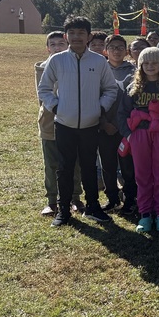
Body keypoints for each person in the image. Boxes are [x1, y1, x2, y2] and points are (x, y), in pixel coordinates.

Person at [37, 16, 120, 226]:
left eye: (81, 33)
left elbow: (111, 89)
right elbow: (44, 88)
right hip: (64, 124)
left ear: (89, 36)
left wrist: (99, 108)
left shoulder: (99, 61)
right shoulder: (57, 60)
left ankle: (93, 206)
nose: (76, 37)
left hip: (91, 125)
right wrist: (56, 107)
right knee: (64, 168)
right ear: (66, 36)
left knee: (89, 166)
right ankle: (63, 210)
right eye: (72, 33)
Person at [117, 46, 159, 233]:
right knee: (142, 175)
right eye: (145, 63)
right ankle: (145, 214)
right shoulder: (134, 87)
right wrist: (129, 135)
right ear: (140, 65)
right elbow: (122, 113)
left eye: (154, 62)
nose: (150, 66)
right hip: (139, 134)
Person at [35, 31, 82, 216]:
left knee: (74, 163)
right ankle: (52, 201)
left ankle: (76, 198)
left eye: (61, 43)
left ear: (68, 44)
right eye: (52, 44)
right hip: (49, 123)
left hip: (73, 123)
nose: (57, 47)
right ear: (47, 48)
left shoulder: (75, 64)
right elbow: (42, 95)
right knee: (52, 164)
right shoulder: (42, 68)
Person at [98, 34, 135, 213]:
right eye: (112, 47)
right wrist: (104, 123)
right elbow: (93, 99)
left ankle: (130, 199)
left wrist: (125, 126)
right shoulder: (98, 69)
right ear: (106, 50)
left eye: (121, 47)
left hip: (126, 128)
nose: (117, 50)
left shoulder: (134, 70)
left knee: (128, 165)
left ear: (126, 51)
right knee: (108, 165)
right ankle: (112, 198)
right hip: (105, 127)